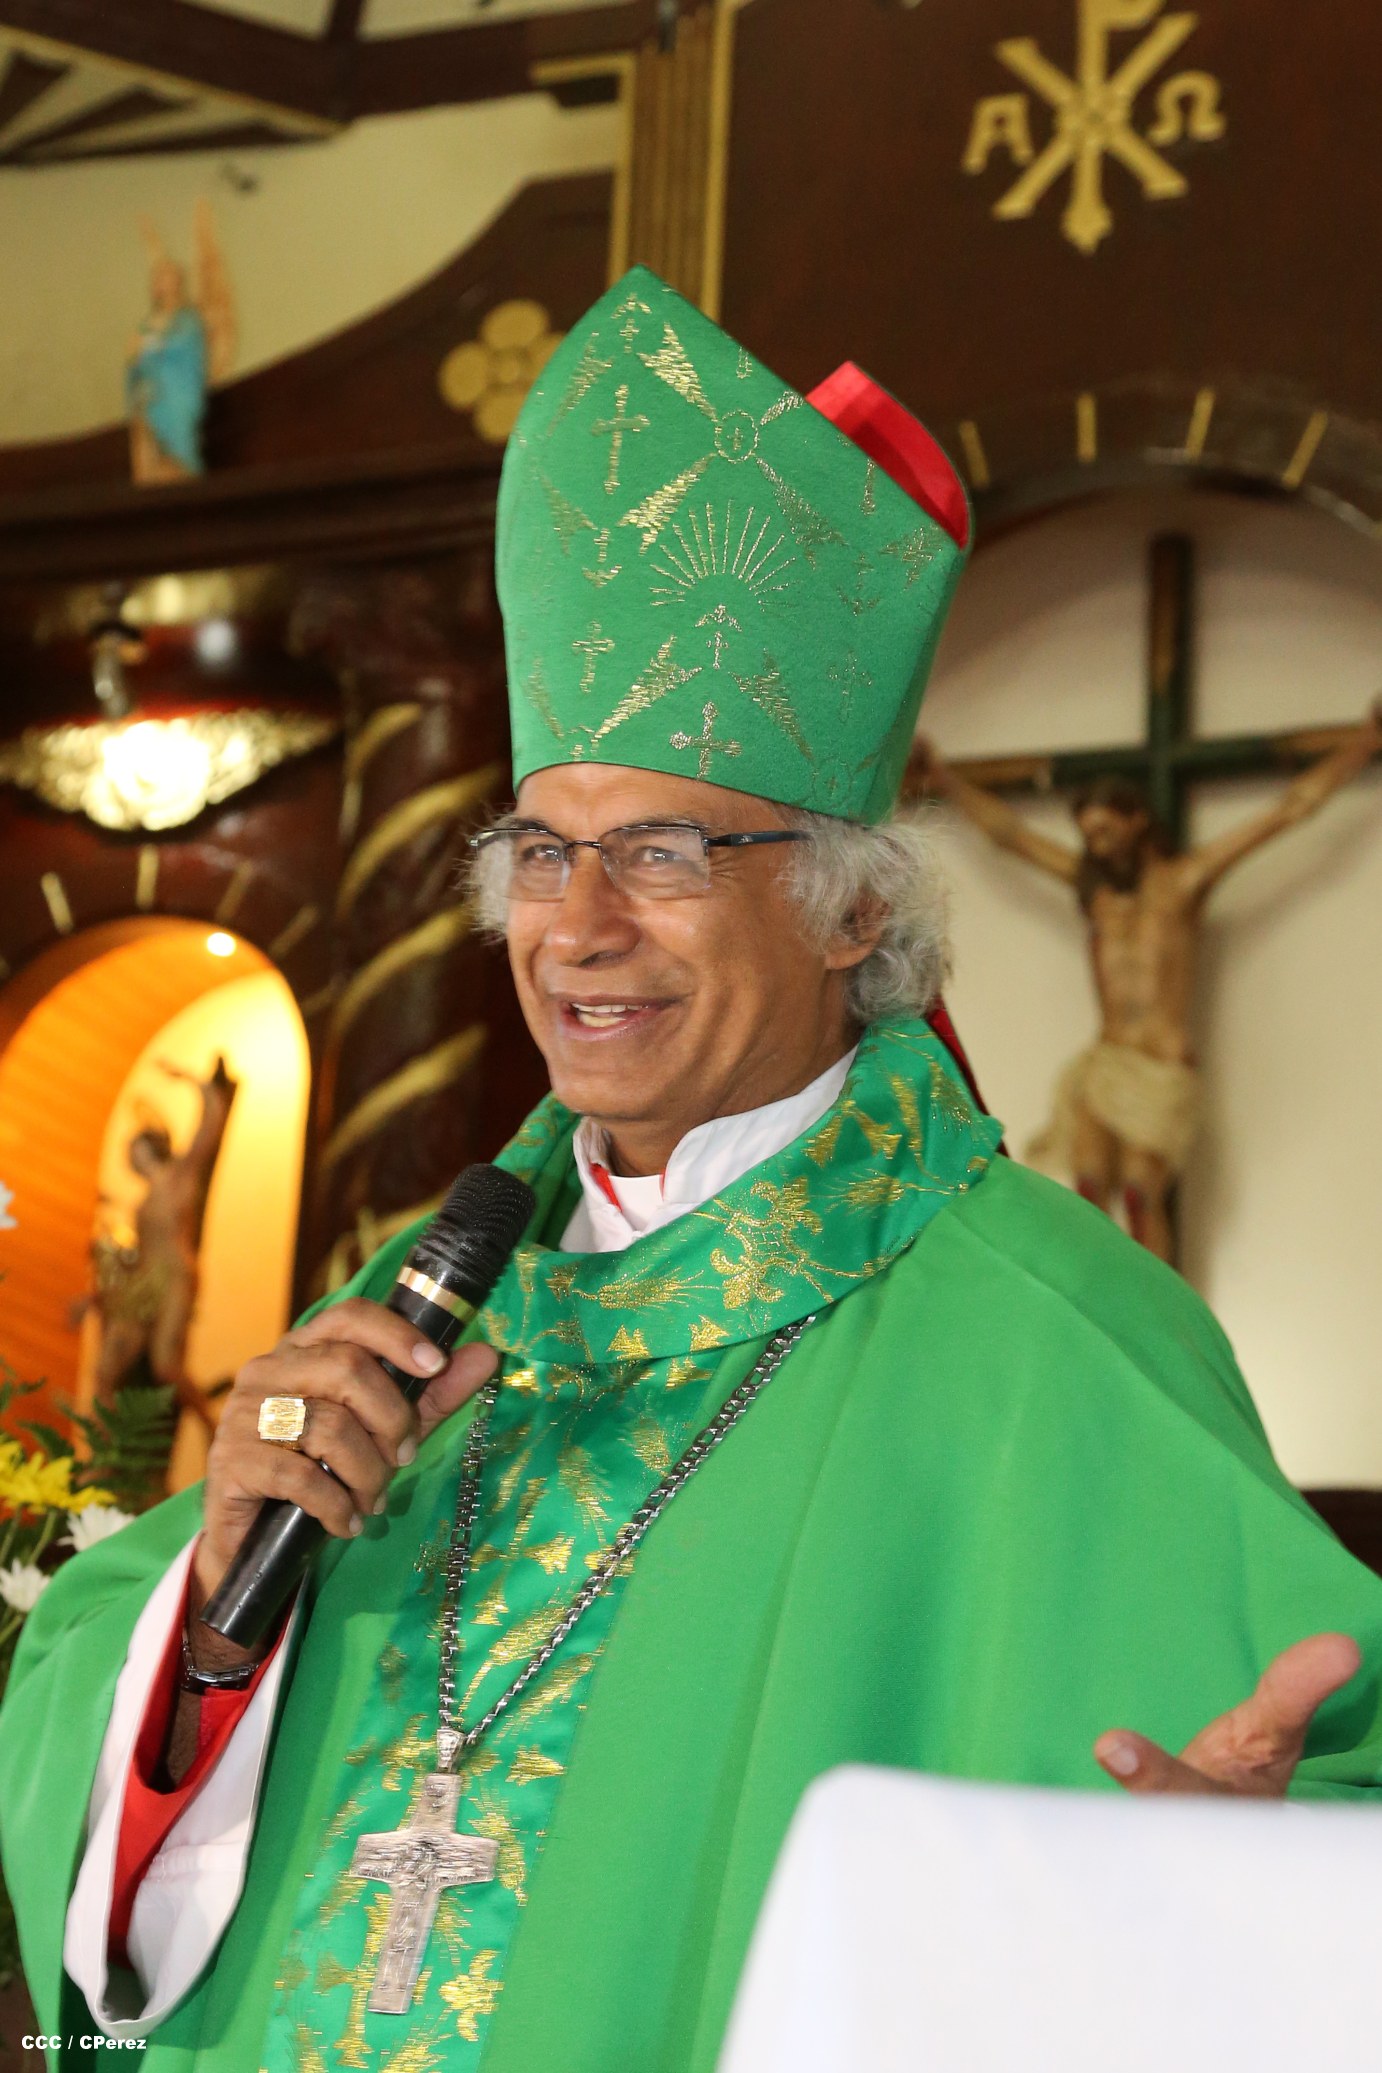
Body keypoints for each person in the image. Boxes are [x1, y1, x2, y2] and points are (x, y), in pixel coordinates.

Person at [3, 268, 1380, 2073]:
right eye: (539, 849)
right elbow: (85, 1724)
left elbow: (1312, 1786)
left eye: (660, 852)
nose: (574, 926)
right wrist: (210, 1614)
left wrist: (1249, 1886)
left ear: (853, 910)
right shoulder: (410, 1315)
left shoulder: (1054, 1335)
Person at [915, 719, 1382, 1258]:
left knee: (1140, 1193)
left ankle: (1159, 1304)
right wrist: (944, 780)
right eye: (1088, 836)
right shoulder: (1094, 891)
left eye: (1105, 832)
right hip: (1106, 1062)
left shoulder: (1184, 882)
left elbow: (1290, 809)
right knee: (1086, 1191)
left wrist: (1364, 743)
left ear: (1137, 822)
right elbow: (1011, 836)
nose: (1096, 846)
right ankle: (1091, 1298)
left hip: (1160, 1067)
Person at [87, 1055, 239, 1422]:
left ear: (149, 1147)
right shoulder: (143, 1201)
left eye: (133, 1146)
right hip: (143, 1282)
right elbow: (138, 1248)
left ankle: (210, 1422)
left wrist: (189, 1078)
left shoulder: (180, 1176)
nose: (128, 1153)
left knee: (166, 1367)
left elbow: (211, 1119)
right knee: (107, 1368)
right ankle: (105, 1442)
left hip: (172, 1276)